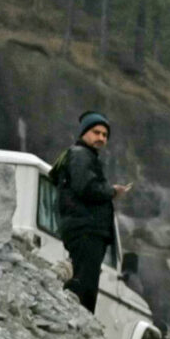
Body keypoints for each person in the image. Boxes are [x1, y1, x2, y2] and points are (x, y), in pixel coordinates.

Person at [54, 110, 128, 312]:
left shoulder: (83, 156)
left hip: (86, 229)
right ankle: (76, 324)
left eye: (105, 135)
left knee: (84, 281)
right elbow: (85, 187)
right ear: (84, 132)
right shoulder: (80, 155)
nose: (101, 138)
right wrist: (110, 191)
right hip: (85, 229)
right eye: (96, 132)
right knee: (84, 286)